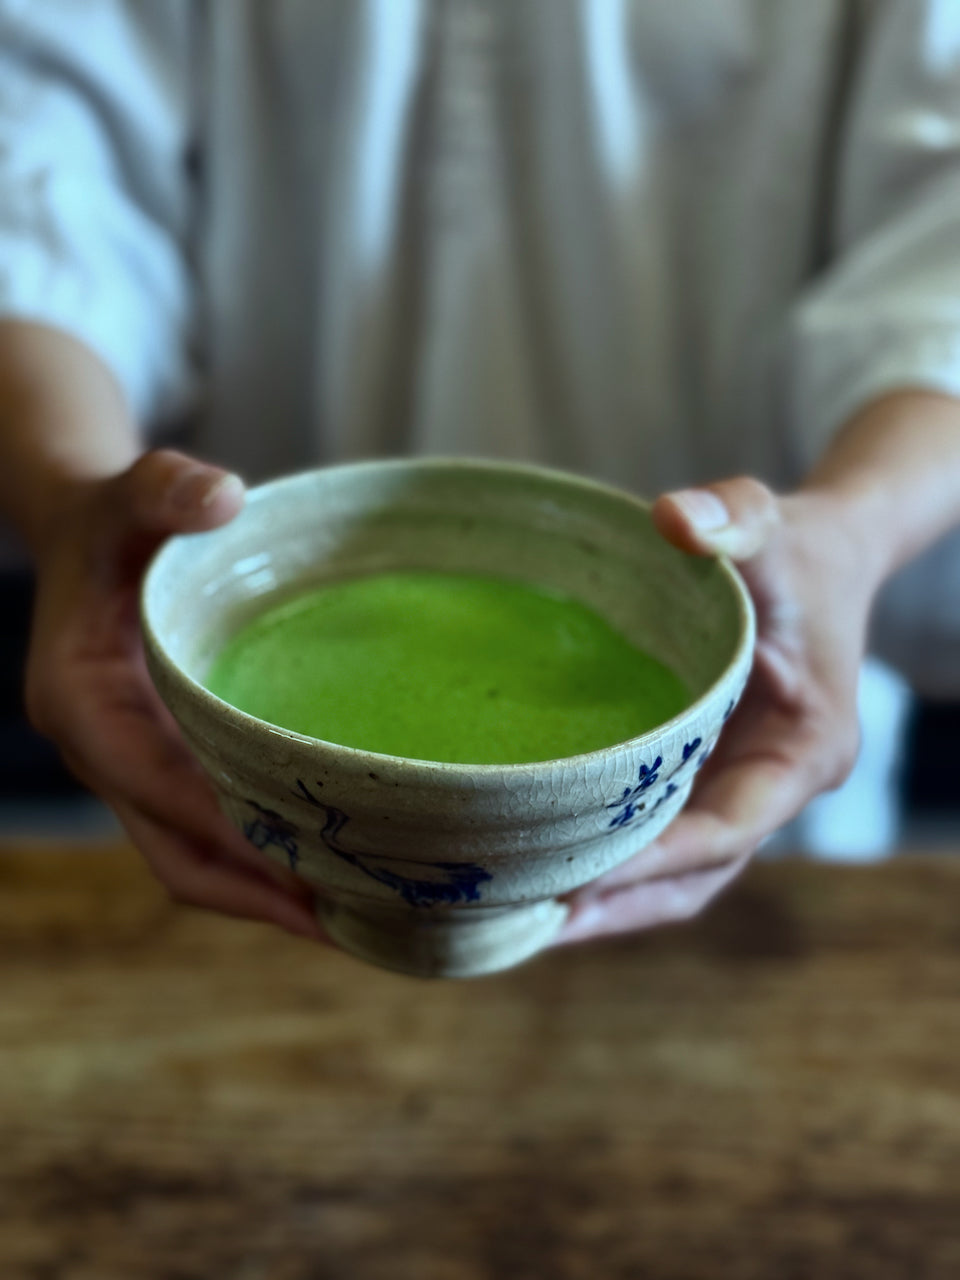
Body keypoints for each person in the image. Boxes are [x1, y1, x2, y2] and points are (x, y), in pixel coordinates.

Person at [1, 0, 960, 947]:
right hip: (221, 808)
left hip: (739, 800)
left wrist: (853, 527)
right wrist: (70, 490)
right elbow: (45, 146)